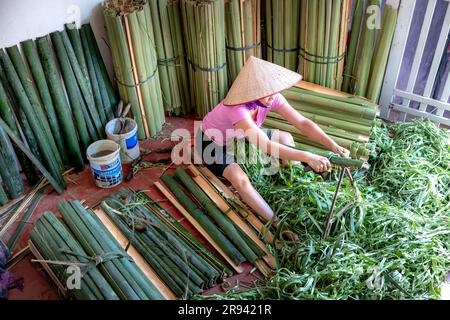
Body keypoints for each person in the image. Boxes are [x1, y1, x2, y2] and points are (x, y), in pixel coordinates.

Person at [196, 57, 349, 237]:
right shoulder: (237, 110)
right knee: (241, 180)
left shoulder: (271, 97)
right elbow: (267, 146)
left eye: (273, 91)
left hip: (238, 135)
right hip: (211, 143)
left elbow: (302, 122)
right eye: (267, 92)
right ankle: (277, 223)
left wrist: (334, 146)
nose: (272, 96)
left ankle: (295, 179)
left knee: (286, 137)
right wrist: (307, 156)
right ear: (252, 92)